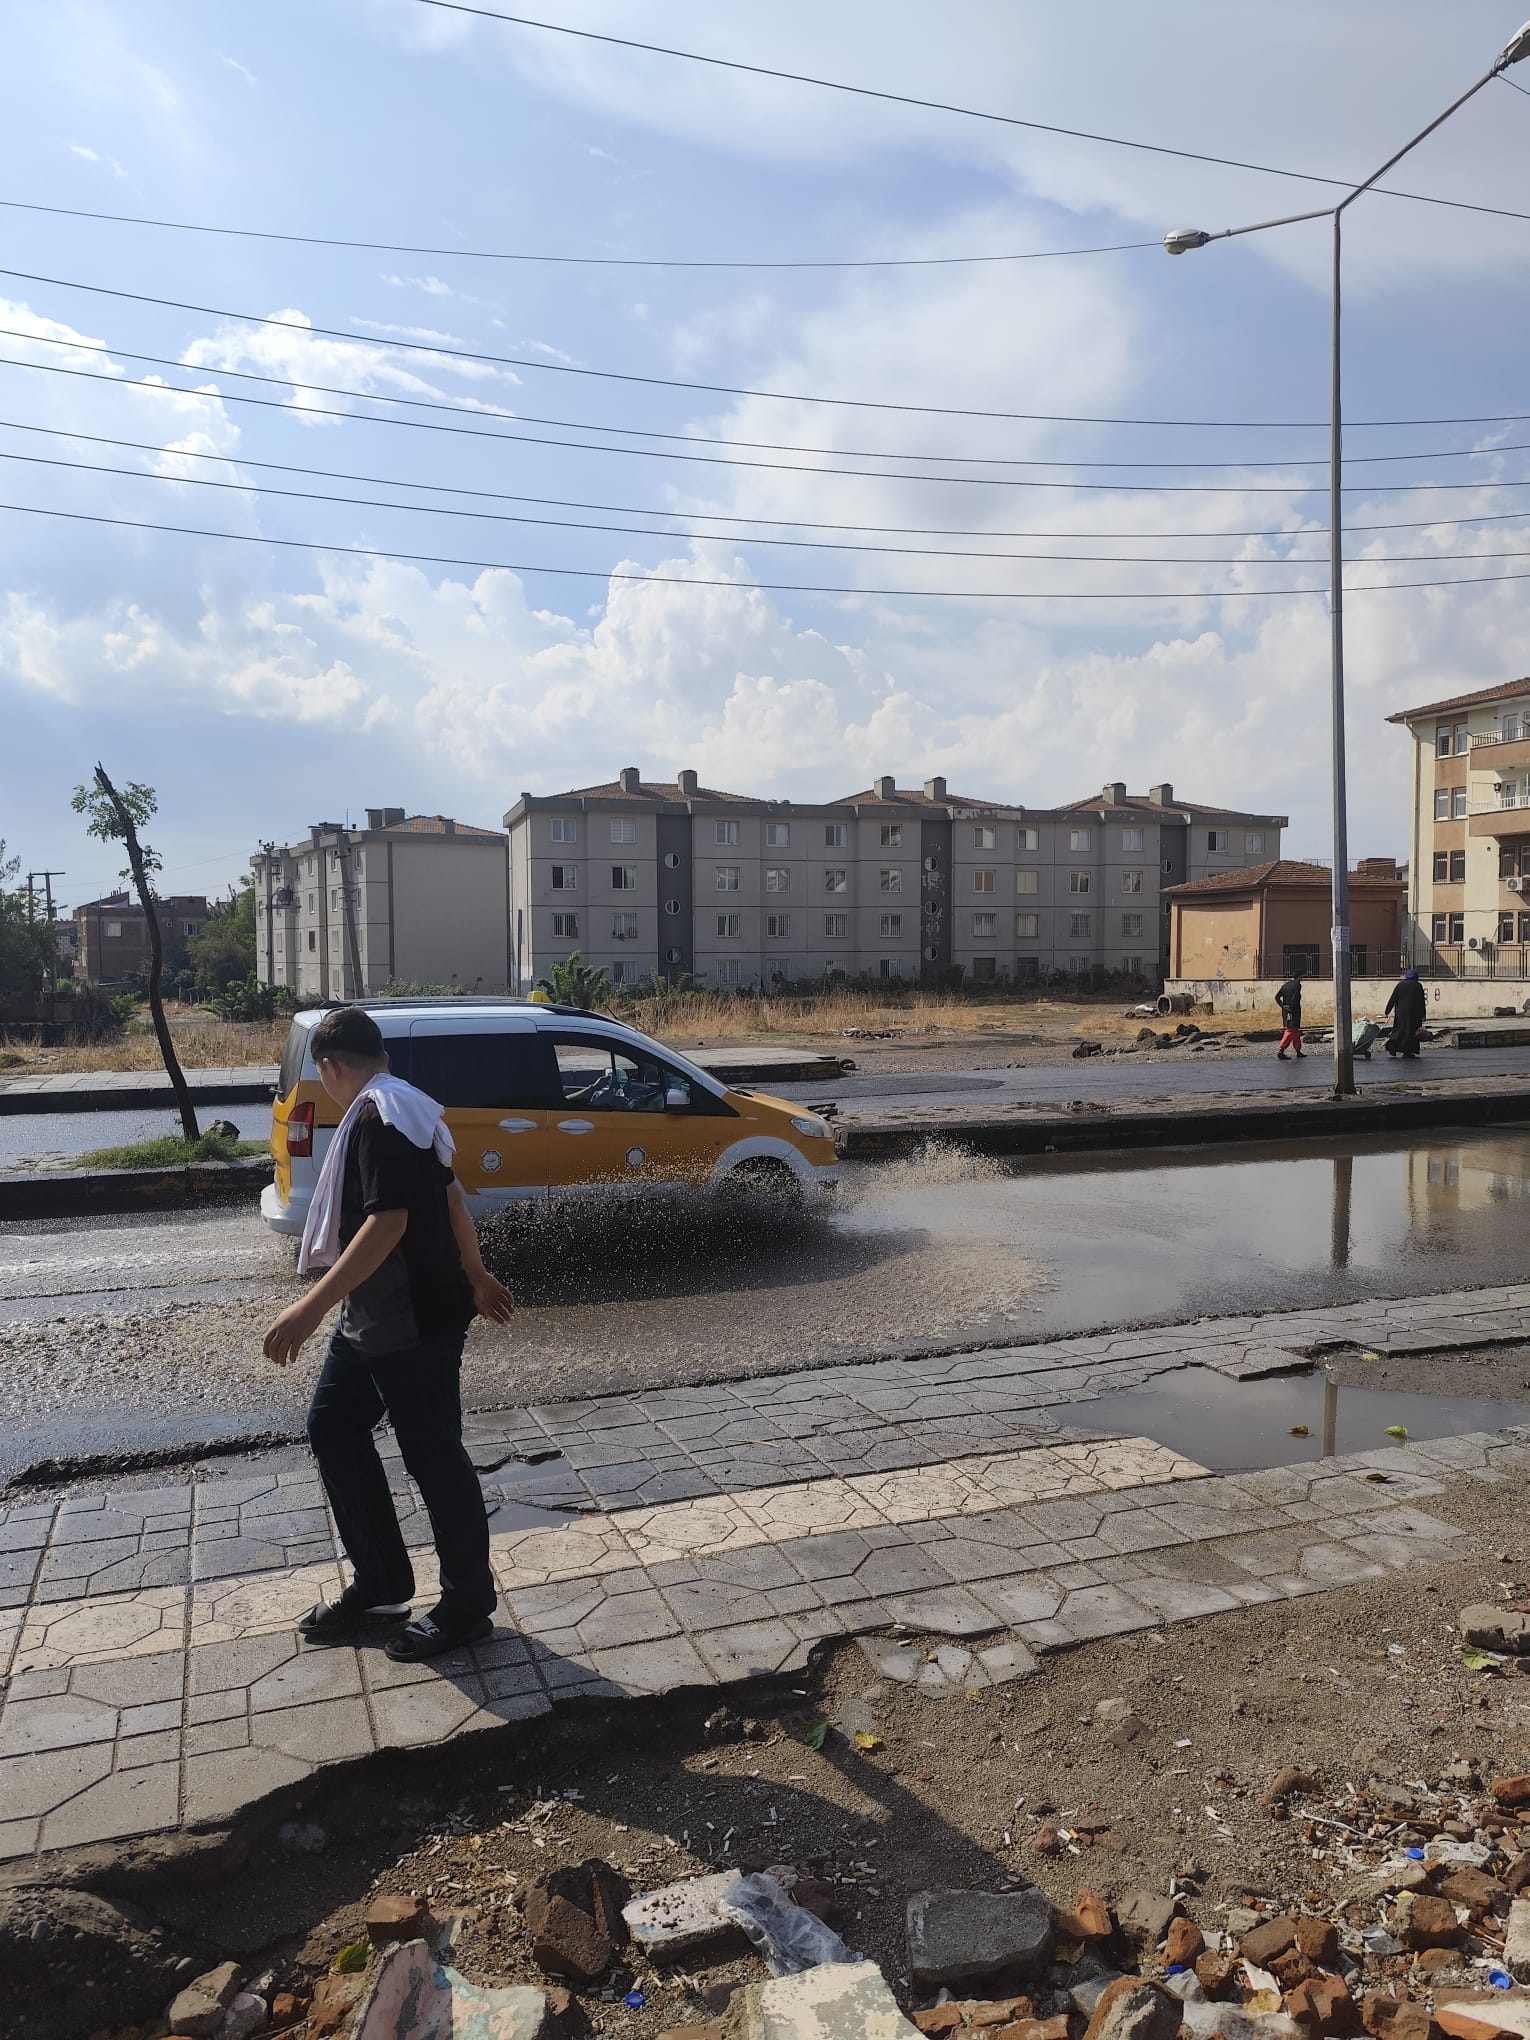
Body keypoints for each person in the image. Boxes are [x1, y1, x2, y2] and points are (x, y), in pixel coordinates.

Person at [262, 1007, 515, 1660]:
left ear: (330, 1068)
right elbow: (452, 1198)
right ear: (383, 1056)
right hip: (375, 1314)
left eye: (322, 1077)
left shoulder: (381, 1118)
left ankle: (466, 1606)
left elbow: (389, 1224)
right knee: (333, 1426)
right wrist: (479, 1273)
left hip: (415, 1316)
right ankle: (381, 1584)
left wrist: (309, 1308)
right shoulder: (405, 1105)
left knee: (434, 1455)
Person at [1384, 966, 1428, 1059]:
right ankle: (1407, 1051)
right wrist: (1423, 1014)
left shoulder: (1400, 985)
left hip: (1400, 1012)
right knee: (1410, 1032)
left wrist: (1387, 1010)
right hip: (1413, 1014)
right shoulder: (1418, 985)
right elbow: (1421, 1001)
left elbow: (1393, 998)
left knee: (1399, 1030)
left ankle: (1393, 1045)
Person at [1275, 968, 1305, 1060]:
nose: (1302, 979)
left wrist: (1282, 1006)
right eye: (1302, 977)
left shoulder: (1285, 985)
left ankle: (1298, 1051)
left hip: (1286, 1011)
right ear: (1299, 977)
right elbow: (1295, 998)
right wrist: (1290, 1007)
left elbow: (1277, 997)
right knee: (1290, 1030)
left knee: (1295, 1031)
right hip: (1293, 1011)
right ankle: (1281, 1050)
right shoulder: (1297, 985)